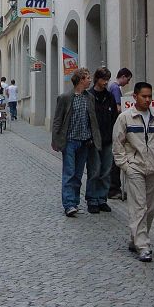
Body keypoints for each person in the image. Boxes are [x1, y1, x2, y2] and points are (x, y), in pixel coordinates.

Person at [112, 82, 154, 263]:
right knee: (139, 207)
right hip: (134, 167)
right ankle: (143, 246)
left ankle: (135, 238)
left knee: (150, 209)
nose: (148, 99)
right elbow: (118, 144)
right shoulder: (125, 118)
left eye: (150, 96)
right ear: (135, 97)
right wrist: (125, 165)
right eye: (144, 96)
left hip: (153, 168)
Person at [51, 68, 101, 217]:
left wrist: (94, 137)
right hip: (70, 141)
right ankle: (68, 204)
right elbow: (57, 120)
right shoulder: (65, 97)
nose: (90, 80)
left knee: (78, 174)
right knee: (69, 172)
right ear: (80, 80)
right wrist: (56, 140)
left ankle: (75, 202)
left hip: (85, 142)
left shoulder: (89, 97)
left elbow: (92, 119)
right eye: (87, 78)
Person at [85, 67, 118, 214]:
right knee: (94, 170)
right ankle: (92, 199)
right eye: (104, 79)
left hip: (107, 138)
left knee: (106, 170)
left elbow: (114, 118)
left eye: (107, 79)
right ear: (97, 79)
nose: (106, 82)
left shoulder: (109, 97)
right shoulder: (89, 96)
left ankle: (102, 199)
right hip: (93, 140)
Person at [108, 68, 132, 199]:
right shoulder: (116, 88)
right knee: (116, 158)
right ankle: (114, 188)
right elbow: (118, 108)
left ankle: (114, 187)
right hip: (116, 127)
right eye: (127, 79)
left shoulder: (112, 87)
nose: (127, 83)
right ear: (123, 76)